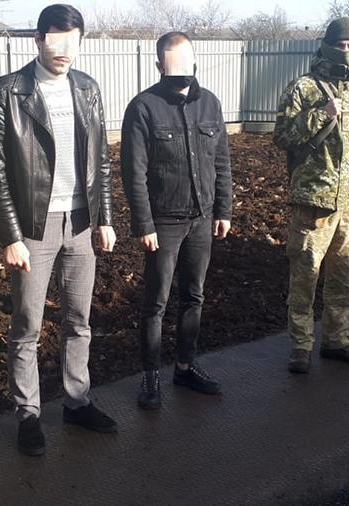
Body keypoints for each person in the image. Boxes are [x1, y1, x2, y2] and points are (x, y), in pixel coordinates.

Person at [0, 4, 117, 456]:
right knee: (28, 325)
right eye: (56, 40)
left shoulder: (88, 89)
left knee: (80, 321)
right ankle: (28, 414)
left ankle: (77, 402)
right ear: (38, 40)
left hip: (80, 223)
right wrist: (10, 236)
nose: (64, 51)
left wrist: (105, 218)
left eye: (72, 42)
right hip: (33, 227)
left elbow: (100, 159)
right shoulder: (8, 91)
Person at [120, 31, 232, 410]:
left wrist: (223, 210)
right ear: (159, 65)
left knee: (194, 296)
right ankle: (150, 376)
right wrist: (144, 224)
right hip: (164, 224)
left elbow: (221, 162)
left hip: (202, 219)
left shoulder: (210, 104)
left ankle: (185, 366)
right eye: (172, 63)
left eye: (186, 61)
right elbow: (133, 172)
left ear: (195, 61)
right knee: (156, 302)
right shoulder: (144, 108)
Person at [272, 17, 349, 375]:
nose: (346, 51)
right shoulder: (303, 88)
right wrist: (320, 114)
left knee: (342, 278)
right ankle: (301, 346)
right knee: (304, 277)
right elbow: (282, 137)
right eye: (339, 44)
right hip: (313, 202)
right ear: (326, 45)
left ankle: (336, 340)